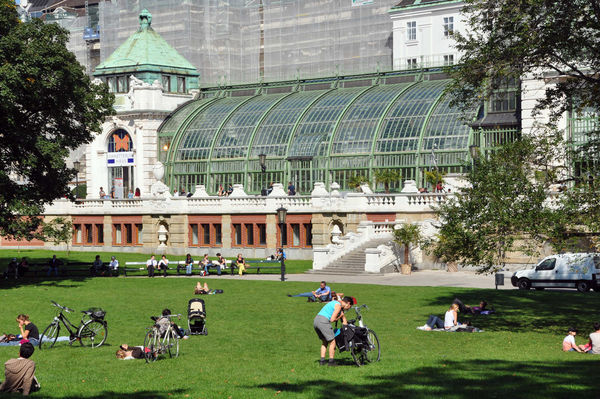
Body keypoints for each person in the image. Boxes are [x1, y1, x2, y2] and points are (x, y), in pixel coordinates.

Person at [313, 296, 353, 366]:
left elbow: (344, 321)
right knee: (332, 342)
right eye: (349, 307)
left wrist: (342, 317)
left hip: (316, 320)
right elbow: (332, 319)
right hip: (323, 321)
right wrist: (340, 316)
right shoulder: (338, 306)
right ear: (348, 303)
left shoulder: (334, 302)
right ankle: (331, 362)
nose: (348, 309)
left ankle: (322, 361)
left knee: (324, 341)